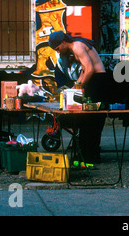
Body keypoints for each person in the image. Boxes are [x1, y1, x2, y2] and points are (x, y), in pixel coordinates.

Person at [49, 31, 113, 163]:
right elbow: (84, 70)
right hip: (95, 81)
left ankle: (91, 154)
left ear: (63, 42)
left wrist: (79, 87)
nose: (59, 51)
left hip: (98, 81)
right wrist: (75, 87)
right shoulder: (76, 47)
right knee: (86, 119)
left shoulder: (77, 46)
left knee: (92, 119)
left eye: (58, 48)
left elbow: (90, 69)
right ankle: (86, 153)